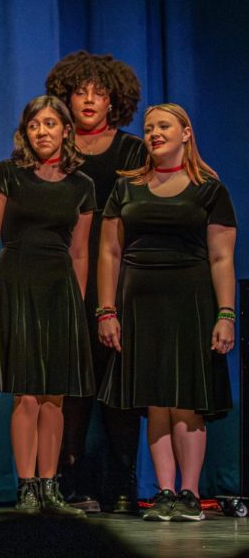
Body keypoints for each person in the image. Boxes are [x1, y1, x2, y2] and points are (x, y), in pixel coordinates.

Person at [97, 103, 236, 523]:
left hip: (191, 303)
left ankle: (190, 494)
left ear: (186, 133)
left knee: (187, 401)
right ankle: (164, 492)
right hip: (140, 305)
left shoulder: (209, 189)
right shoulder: (126, 188)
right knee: (155, 402)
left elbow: (221, 258)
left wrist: (226, 313)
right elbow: (109, 252)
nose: (154, 133)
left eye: (164, 126)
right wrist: (107, 310)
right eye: (149, 127)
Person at [0, 95, 95, 516]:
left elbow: (80, 254)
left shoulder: (83, 185)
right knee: (25, 394)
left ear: (66, 129)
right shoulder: (9, 174)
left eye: (49, 124)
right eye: (33, 125)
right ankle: (26, 486)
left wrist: (76, 305)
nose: (42, 132)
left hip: (59, 289)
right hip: (16, 282)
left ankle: (50, 487)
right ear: (24, 132)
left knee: (55, 397)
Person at [44, 51, 146, 513]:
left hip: (123, 282)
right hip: (65, 279)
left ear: (114, 100)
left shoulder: (132, 152)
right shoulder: (49, 147)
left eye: (99, 93)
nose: (88, 100)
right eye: (79, 92)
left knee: (120, 385)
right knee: (72, 385)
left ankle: (123, 484)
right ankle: (70, 481)